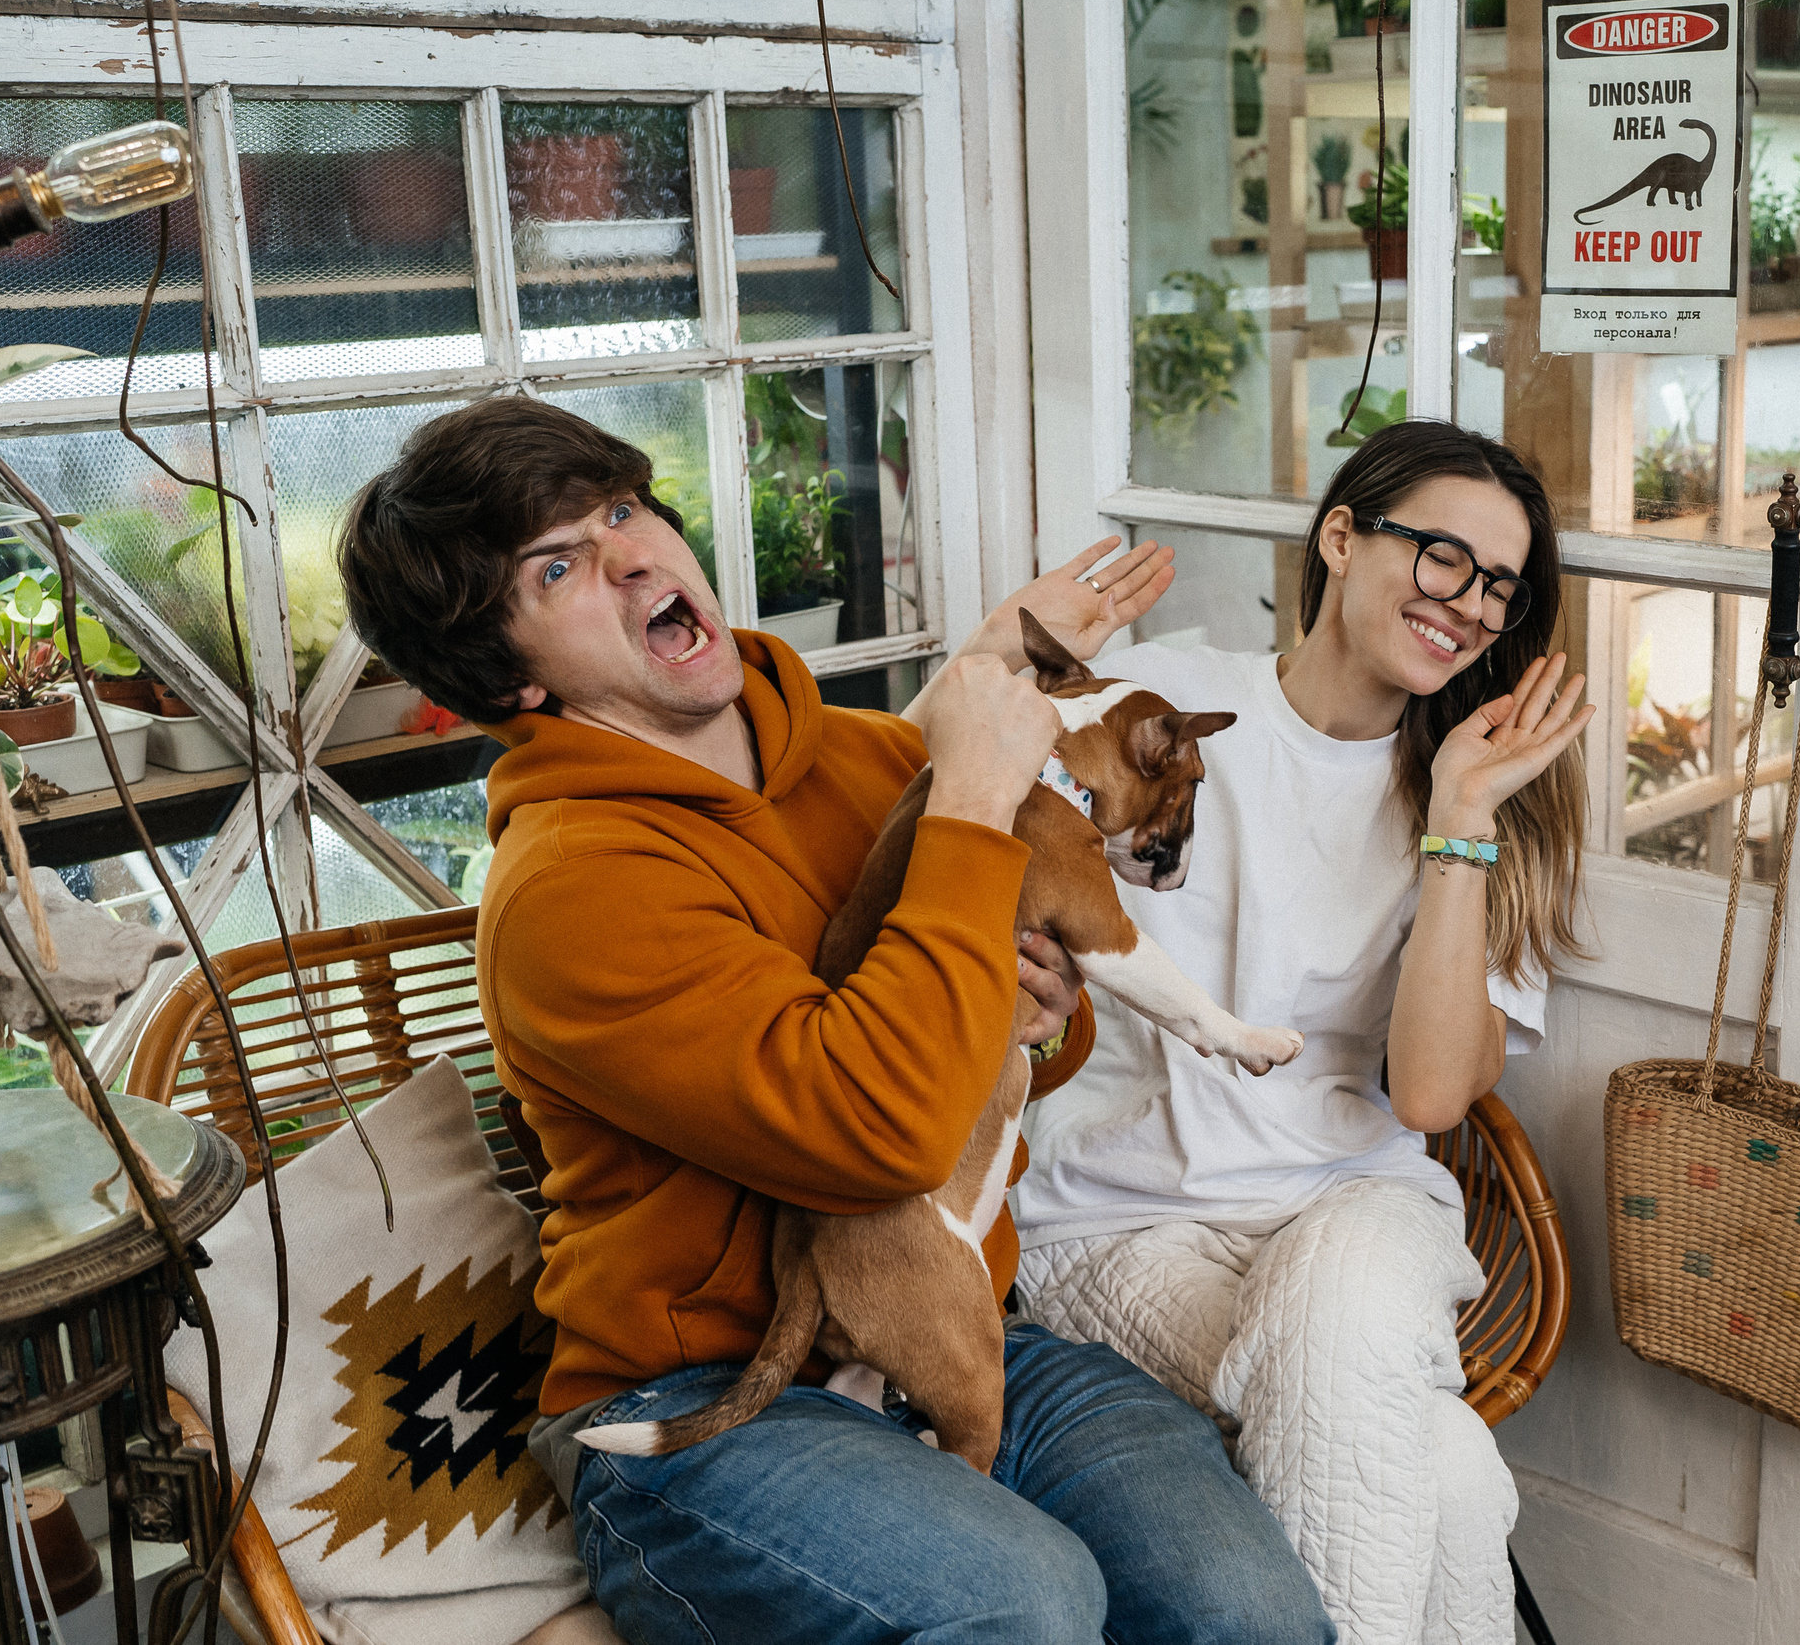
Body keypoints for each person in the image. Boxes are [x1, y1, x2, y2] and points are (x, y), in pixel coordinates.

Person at [335, 395, 1334, 1645]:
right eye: (558, 564)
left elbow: (1045, 1036)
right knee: (1023, 1603)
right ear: (511, 674)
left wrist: (1037, 1008)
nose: (631, 554)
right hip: (707, 1406)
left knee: (1247, 1614)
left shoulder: (868, 758)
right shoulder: (570, 889)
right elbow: (878, 1138)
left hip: (963, 1323)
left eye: (623, 510)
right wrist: (972, 799)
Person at [1010, 420, 1593, 1645]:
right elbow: (931, 799)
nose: (1473, 605)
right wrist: (1004, 655)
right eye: (1443, 557)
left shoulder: (1491, 796)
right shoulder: (1172, 706)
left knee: (1338, 1338)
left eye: (1501, 585)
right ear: (1340, 536)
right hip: (1126, 1216)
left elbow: (1431, 1098)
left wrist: (1460, 819)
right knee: (1439, 1465)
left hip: (1358, 1200)